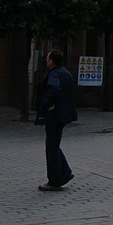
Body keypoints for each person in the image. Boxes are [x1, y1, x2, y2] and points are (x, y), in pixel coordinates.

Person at [34, 49, 77, 192]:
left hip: (55, 115)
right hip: (64, 114)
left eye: (47, 58)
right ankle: (65, 172)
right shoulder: (66, 73)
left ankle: (54, 181)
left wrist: (49, 103)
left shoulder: (55, 74)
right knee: (54, 144)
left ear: (52, 61)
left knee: (51, 147)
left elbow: (54, 89)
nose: (46, 61)